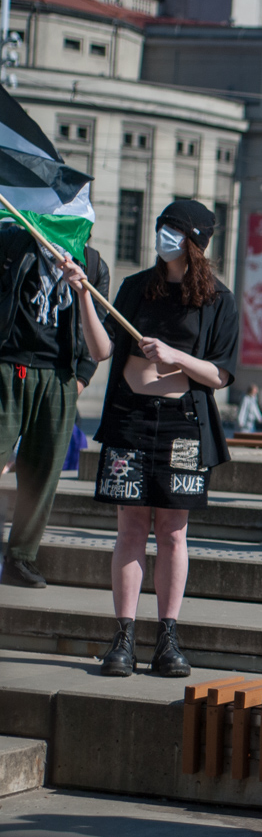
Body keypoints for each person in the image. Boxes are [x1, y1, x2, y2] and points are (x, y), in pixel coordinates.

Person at [66, 200, 239, 677]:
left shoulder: (218, 300)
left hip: (184, 424)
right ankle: (122, 636)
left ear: (196, 242)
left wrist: (174, 355)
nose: (164, 237)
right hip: (130, 419)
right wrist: (83, 296)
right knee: (129, 529)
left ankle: (167, 636)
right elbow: (102, 350)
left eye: (175, 231)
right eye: (162, 228)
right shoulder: (135, 288)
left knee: (173, 532)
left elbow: (220, 375)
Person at [0, 229, 109, 588]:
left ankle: (21, 557)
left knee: (43, 472)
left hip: (60, 377)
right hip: (9, 366)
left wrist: (80, 381)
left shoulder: (92, 265)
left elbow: (100, 342)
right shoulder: (14, 242)